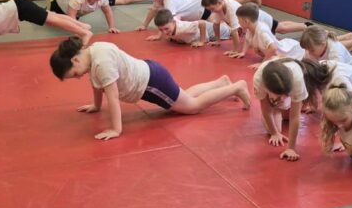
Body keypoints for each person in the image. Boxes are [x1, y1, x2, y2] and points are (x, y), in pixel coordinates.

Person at [49, 37, 251, 140]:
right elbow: (97, 84)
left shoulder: (102, 63)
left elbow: (113, 97)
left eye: (74, 74)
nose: (78, 77)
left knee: (192, 106)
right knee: (184, 97)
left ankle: (236, 87)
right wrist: (96, 106)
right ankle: (220, 83)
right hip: (151, 72)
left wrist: (116, 129)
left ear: (75, 60)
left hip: (152, 83)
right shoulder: (93, 51)